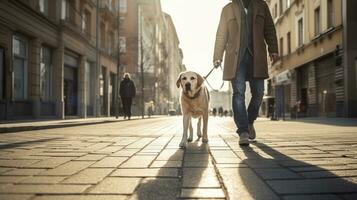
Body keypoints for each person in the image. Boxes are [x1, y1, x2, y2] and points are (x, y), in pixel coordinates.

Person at [213, 0, 278, 145]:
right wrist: (217, 56)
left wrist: (273, 49)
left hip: (257, 57)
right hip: (236, 59)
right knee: (239, 93)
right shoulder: (227, 9)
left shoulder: (261, 6)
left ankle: (249, 121)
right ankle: (243, 131)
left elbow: (269, 29)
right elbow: (221, 34)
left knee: (259, 92)